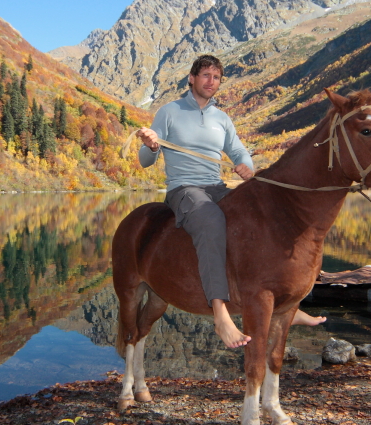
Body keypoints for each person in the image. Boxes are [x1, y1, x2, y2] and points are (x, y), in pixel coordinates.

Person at [136, 55, 324, 349]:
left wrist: (245, 165)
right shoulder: (169, 112)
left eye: (216, 78)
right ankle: (221, 311)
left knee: (263, 211)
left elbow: (238, 151)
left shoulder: (221, 118)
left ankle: (287, 302)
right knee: (210, 219)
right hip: (184, 189)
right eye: (206, 76)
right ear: (192, 79)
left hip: (217, 186)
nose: (211, 82)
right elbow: (145, 161)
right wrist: (150, 145)